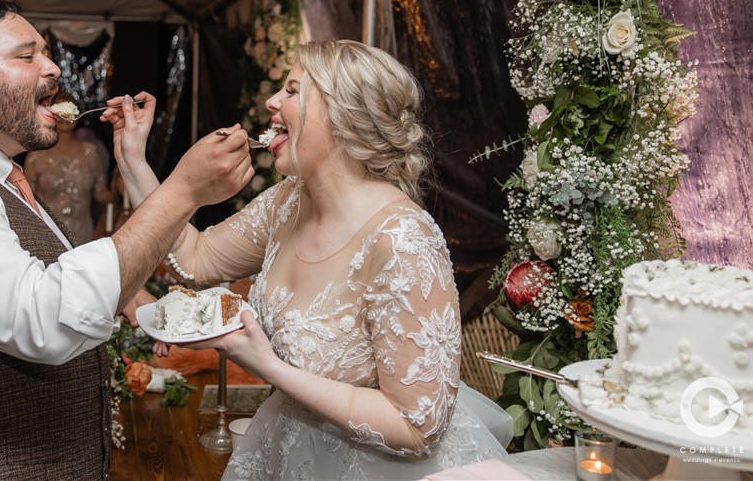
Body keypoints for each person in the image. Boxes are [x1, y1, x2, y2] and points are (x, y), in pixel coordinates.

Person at [0, 0, 253, 479]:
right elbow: (46, 321)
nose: (54, 67)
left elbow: (37, 272)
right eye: (26, 55)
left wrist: (126, 295)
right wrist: (183, 191)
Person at [106, 39, 512, 480]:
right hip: (289, 452)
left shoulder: (402, 240)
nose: (271, 101)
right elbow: (195, 259)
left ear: (344, 118)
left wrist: (267, 367)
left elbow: (418, 427)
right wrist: (132, 159)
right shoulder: (287, 201)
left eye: (293, 90)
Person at [24, 90, 111, 244]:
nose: (64, 119)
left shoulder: (90, 151)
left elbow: (101, 194)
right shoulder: (37, 154)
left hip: (83, 235)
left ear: (76, 116)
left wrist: (119, 197)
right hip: (47, 235)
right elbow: (26, 199)